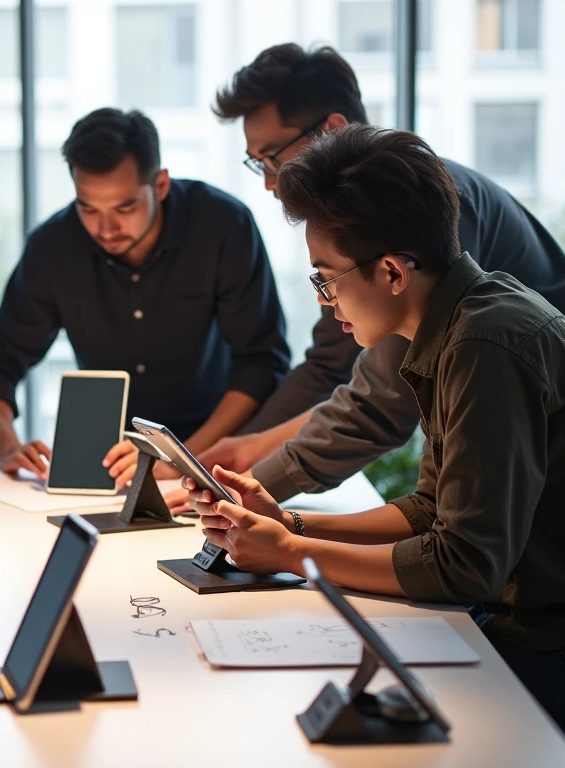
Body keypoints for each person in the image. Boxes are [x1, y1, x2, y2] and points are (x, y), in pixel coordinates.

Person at [187, 124, 565, 729]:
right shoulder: (461, 324)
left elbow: (463, 565)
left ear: (392, 271)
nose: (324, 300)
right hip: (512, 625)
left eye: (326, 277)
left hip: (540, 646)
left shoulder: (485, 345)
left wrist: (292, 554)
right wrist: (292, 524)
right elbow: (430, 510)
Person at [194, 43, 565, 503]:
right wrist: (243, 456)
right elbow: (331, 366)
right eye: (258, 165)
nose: (271, 182)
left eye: (272, 157)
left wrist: (250, 484)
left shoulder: (413, 212)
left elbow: (384, 401)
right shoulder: (355, 230)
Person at [0, 107, 290, 487]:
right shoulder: (53, 246)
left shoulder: (222, 224)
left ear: (161, 185)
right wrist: (7, 446)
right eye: (88, 208)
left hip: (214, 453)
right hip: (104, 460)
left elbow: (261, 361)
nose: (106, 228)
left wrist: (181, 461)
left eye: (125, 207)